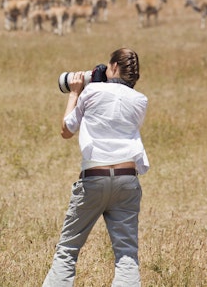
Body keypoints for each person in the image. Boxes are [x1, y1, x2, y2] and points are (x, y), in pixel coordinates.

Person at [43, 48, 149, 287]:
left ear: (112, 67)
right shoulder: (141, 100)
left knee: (68, 249)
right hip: (127, 178)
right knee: (126, 255)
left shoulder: (91, 91)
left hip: (95, 175)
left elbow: (66, 131)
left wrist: (74, 93)